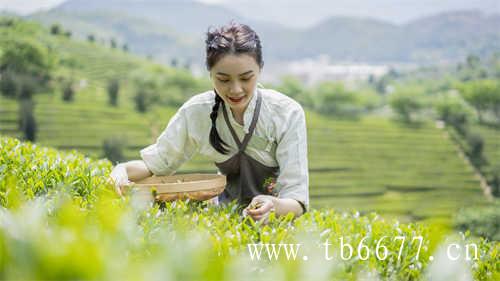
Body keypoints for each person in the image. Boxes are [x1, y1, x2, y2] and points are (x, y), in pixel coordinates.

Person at [109, 22, 309, 222]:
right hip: (224, 218)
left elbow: (297, 200)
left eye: (246, 78)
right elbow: (158, 163)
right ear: (210, 73)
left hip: (276, 227)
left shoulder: (286, 113)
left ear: (260, 69)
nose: (236, 90)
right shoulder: (196, 112)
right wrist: (122, 170)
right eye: (223, 79)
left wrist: (274, 205)